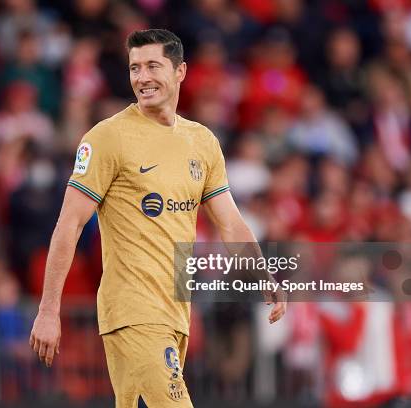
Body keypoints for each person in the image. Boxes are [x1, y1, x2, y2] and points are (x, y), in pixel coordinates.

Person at [29, 29, 287, 408]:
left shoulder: (202, 142)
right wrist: (49, 310)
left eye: (153, 66)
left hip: (175, 313)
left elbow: (230, 222)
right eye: (135, 68)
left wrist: (263, 276)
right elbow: (69, 223)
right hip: (132, 312)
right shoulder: (107, 138)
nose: (142, 77)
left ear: (180, 71)